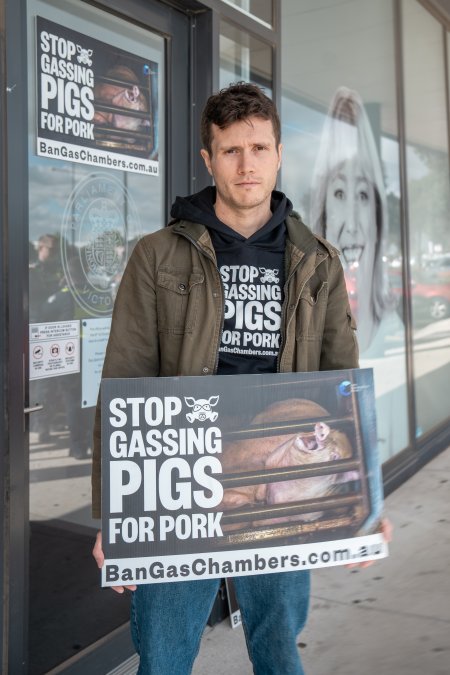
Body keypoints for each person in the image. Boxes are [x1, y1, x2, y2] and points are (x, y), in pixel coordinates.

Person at [92, 82, 392, 675]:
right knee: (164, 655)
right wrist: (115, 512)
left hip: (285, 480)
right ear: (209, 159)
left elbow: (342, 378)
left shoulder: (318, 261)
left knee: (279, 650)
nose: (246, 164)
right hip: (182, 479)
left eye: (258, 148)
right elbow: (124, 376)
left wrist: (364, 498)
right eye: (230, 150)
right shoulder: (158, 255)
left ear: (279, 154)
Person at [309, 86, 397, 354]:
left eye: (362, 194)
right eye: (338, 193)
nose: (352, 224)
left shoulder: (394, 330)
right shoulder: (303, 324)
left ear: (378, 216)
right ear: (321, 211)